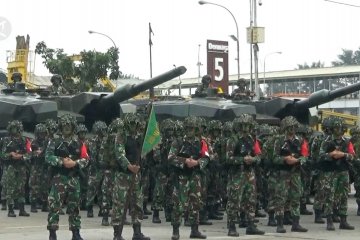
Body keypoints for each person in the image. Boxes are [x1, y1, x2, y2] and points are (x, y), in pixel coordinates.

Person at [45, 114, 89, 240]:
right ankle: (52, 233)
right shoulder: (54, 141)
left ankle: (76, 233)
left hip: (74, 178)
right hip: (59, 177)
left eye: (69, 125)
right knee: (54, 206)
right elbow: (48, 157)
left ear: (73, 127)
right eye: (64, 125)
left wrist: (75, 163)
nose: (66, 127)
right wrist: (61, 161)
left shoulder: (80, 143)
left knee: (75, 207)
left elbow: (86, 159)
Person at [108, 115, 150, 240]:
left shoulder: (138, 137)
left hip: (135, 175)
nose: (133, 126)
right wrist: (129, 166)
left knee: (137, 203)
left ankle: (137, 232)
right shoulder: (121, 136)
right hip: (123, 175)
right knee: (119, 205)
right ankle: (117, 234)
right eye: (131, 123)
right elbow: (119, 154)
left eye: (135, 123)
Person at [169, 116, 209, 240]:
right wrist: (184, 160)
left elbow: (207, 157)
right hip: (182, 177)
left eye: (192, 128)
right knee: (178, 204)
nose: (190, 130)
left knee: (195, 203)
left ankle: (194, 230)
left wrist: (197, 163)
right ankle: (176, 230)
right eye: (188, 128)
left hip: (195, 176)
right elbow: (170, 157)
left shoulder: (202, 142)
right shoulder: (178, 142)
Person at [226, 114, 264, 236]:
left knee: (251, 200)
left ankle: (251, 225)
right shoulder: (233, 139)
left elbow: (259, 156)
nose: (245, 128)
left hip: (250, 173)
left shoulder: (253, 140)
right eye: (243, 125)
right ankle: (232, 226)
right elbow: (228, 158)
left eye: (248, 125)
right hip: (237, 174)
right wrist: (242, 159)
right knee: (234, 200)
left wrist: (253, 159)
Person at [272, 116, 308, 233]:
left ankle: (296, 223)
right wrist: (285, 159)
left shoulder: (301, 140)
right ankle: (280, 224)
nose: (292, 129)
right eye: (289, 127)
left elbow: (305, 156)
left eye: (293, 127)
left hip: (295, 173)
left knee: (296, 198)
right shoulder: (279, 140)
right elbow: (273, 158)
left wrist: (297, 160)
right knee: (280, 199)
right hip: (283, 173)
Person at [318, 116, 355, 231]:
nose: (338, 130)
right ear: (332, 129)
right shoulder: (326, 141)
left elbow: (352, 156)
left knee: (344, 196)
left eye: (340, 128)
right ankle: (329, 221)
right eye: (336, 128)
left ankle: (343, 220)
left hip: (343, 171)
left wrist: (343, 155)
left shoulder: (347, 141)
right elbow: (320, 156)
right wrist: (330, 155)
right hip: (330, 172)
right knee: (330, 196)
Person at [1, 120, 30, 217]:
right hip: (10, 167)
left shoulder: (25, 140)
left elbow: (29, 154)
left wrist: (21, 156)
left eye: (16, 128)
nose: (15, 131)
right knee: (10, 188)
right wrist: (10, 154)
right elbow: (2, 154)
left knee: (21, 188)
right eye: (13, 128)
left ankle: (22, 209)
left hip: (21, 166)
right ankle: (11, 210)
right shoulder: (6, 140)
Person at [29, 123, 49, 213]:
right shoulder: (33, 143)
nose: (42, 135)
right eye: (40, 133)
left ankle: (45, 205)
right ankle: (33, 205)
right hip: (36, 166)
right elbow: (29, 154)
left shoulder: (48, 142)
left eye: (44, 133)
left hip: (45, 167)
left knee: (45, 185)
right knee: (34, 185)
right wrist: (36, 153)